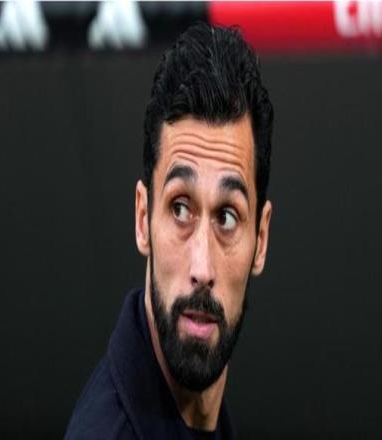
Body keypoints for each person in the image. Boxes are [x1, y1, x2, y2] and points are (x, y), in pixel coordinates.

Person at [65, 22, 273, 439]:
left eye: (227, 217)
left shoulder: (199, 418)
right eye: (180, 209)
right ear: (142, 218)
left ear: (261, 240)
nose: (202, 268)